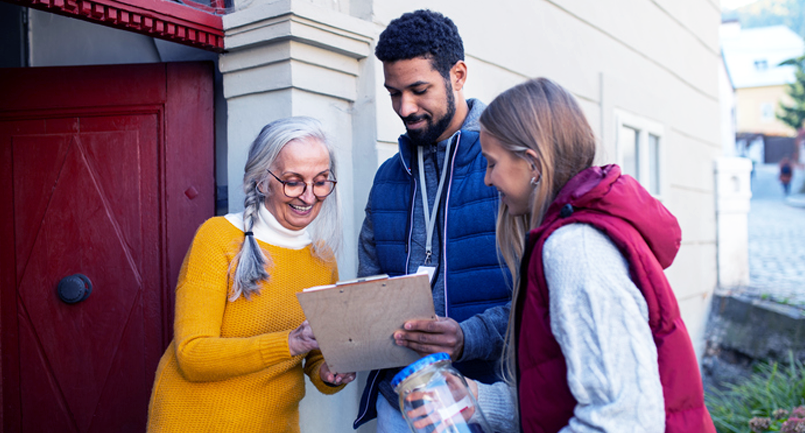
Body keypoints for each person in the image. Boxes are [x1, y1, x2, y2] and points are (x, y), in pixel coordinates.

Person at [469, 77, 716, 432]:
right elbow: (558, 394)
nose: (487, 180)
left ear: (532, 164)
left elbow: (625, 419)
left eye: (491, 163)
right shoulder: (571, 237)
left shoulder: (575, 250)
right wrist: (474, 398)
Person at [354, 9, 511, 432]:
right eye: (393, 93)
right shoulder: (387, 177)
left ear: (457, 75)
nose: (405, 108)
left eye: (419, 89)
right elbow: (370, 287)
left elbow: (541, 298)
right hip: (401, 403)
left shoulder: (509, 166)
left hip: (491, 399)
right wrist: (348, 343)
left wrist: (468, 337)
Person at [147, 117, 356, 433]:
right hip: (195, 422)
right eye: (293, 180)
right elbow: (192, 356)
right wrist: (289, 342)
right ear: (262, 181)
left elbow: (312, 357)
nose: (310, 196)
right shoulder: (217, 237)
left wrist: (328, 373)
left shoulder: (322, 258)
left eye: (321, 180)